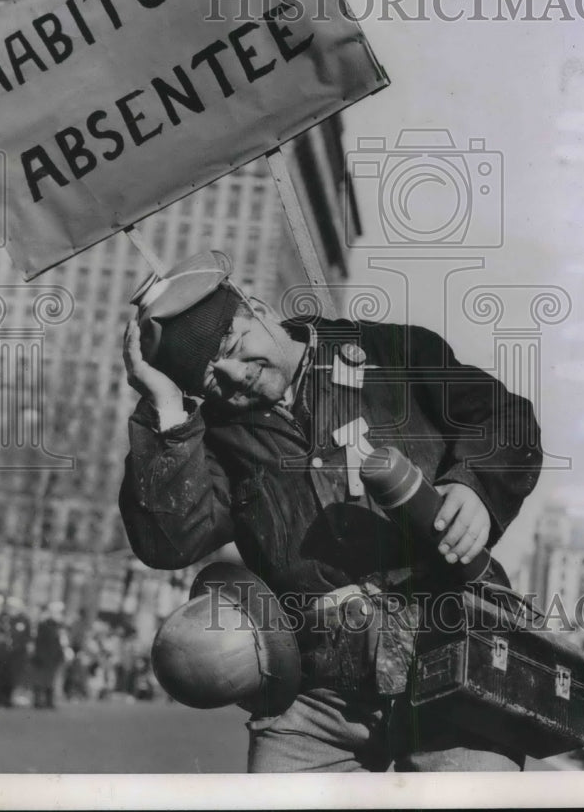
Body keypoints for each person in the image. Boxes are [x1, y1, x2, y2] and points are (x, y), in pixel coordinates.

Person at [119, 250, 543, 773]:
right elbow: (167, 542)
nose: (235, 375)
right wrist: (162, 408)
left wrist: (476, 486)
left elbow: (507, 420)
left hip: (454, 652)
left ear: (255, 306)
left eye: (232, 344)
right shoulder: (214, 438)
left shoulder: (391, 350)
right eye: (210, 379)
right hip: (317, 693)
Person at [30, 601, 70, 709]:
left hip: (54, 657)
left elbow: (61, 643)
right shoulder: (44, 625)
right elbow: (40, 642)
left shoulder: (59, 627)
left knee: (50, 680)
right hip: (44, 657)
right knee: (41, 679)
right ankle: (38, 701)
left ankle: (48, 701)